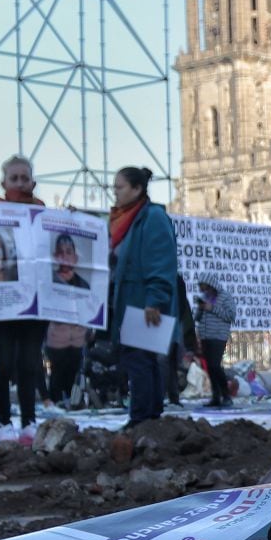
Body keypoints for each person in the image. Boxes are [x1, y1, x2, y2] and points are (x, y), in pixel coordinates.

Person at [0, 157, 47, 444]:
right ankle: (3, 423)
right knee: (2, 364)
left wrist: (73, 218)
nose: (19, 183)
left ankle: (29, 422)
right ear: (3, 183)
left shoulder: (41, 212)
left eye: (24, 178)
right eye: (14, 178)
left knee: (29, 364)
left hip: (32, 304)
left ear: (33, 182)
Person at [108, 166, 178, 429]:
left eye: (119, 187)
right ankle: (147, 417)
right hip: (130, 302)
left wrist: (155, 300)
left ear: (136, 189)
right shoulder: (125, 219)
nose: (115, 193)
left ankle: (143, 418)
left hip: (144, 303)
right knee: (138, 360)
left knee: (141, 361)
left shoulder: (152, 218)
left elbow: (161, 262)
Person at [194, 277, 236, 409]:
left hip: (218, 336)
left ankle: (226, 396)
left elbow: (231, 315)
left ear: (211, 285)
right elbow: (197, 318)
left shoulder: (225, 297)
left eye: (204, 286)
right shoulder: (205, 297)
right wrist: (200, 308)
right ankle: (216, 396)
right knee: (210, 368)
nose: (203, 290)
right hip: (205, 336)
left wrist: (212, 308)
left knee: (215, 365)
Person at [45, 319, 88, 407]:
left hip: (73, 339)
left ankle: (67, 401)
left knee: (69, 376)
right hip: (59, 339)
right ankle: (59, 401)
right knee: (57, 375)